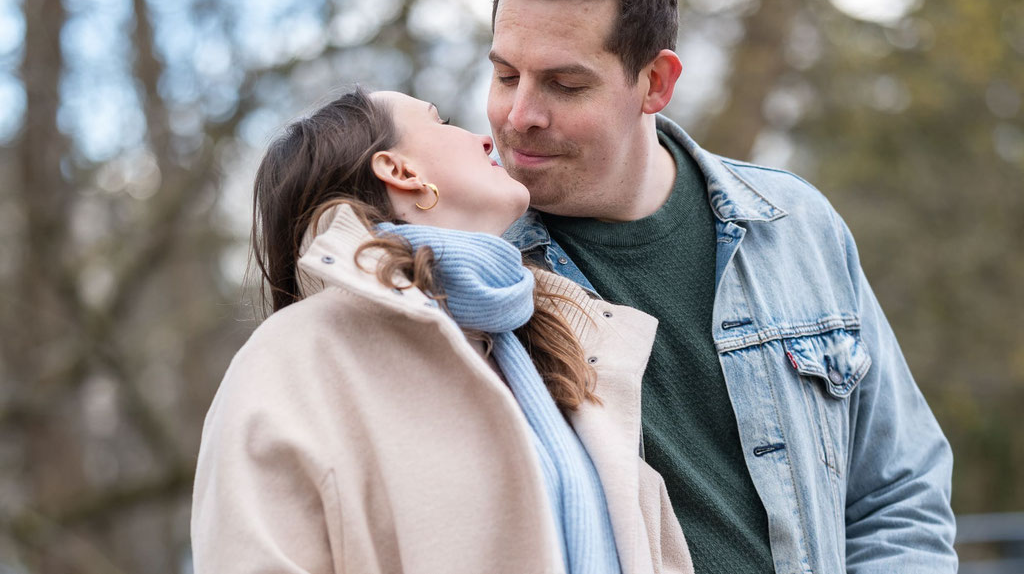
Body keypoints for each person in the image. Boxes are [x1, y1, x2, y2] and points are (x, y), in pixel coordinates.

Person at [488, 0, 957, 574]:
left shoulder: (797, 227)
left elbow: (897, 491)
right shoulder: (472, 264)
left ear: (656, 83)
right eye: (506, 75)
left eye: (565, 84)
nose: (519, 114)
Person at [190, 87, 694, 574]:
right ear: (399, 170)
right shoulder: (295, 359)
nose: (483, 138)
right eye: (441, 121)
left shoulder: (563, 338)